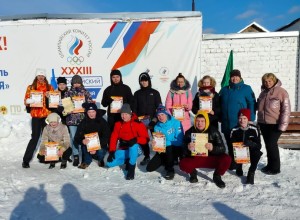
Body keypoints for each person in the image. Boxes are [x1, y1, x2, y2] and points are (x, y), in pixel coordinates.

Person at [179, 110, 231, 188]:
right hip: (196, 158)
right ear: (195, 121)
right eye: (198, 121)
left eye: (202, 121)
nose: (200, 123)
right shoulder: (189, 132)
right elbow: (182, 150)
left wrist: (213, 148)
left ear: (206, 121)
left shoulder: (214, 131)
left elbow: (222, 149)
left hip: (211, 158)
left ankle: (217, 175)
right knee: (182, 163)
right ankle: (193, 172)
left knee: (227, 159)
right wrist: (188, 148)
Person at [219, 69, 256, 170]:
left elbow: (252, 103)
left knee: (239, 143)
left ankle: (239, 163)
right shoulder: (225, 89)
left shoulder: (246, 88)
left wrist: (251, 118)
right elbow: (219, 103)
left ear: (240, 77)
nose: (234, 78)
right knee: (229, 142)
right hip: (226, 122)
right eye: (232, 76)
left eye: (237, 76)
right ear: (230, 78)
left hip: (239, 122)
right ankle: (232, 161)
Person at [257, 73, 291, 175]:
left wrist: (283, 125)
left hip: (275, 124)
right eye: (265, 81)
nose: (267, 83)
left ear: (274, 80)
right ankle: (269, 165)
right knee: (268, 145)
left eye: (269, 81)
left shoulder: (281, 92)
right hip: (263, 124)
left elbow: (286, 110)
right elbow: (259, 107)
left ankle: (275, 168)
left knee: (272, 145)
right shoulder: (262, 93)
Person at [106, 104, 149, 180]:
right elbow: (113, 138)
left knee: (133, 145)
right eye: (122, 114)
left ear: (130, 114)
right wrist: (111, 151)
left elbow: (146, 139)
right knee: (109, 163)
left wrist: (136, 140)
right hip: (124, 148)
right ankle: (127, 160)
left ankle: (131, 168)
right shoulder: (118, 124)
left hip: (137, 148)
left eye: (126, 114)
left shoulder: (138, 124)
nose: (124, 116)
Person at [22, 68, 54, 168]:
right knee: (35, 138)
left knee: (48, 137)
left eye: (42, 75)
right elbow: (25, 100)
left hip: (46, 116)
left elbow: (54, 102)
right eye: (39, 75)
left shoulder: (49, 87)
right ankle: (26, 160)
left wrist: (50, 97)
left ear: (45, 76)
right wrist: (30, 101)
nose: (41, 77)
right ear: (36, 76)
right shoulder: (31, 87)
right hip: (36, 116)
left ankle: (50, 158)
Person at [146, 105, 184, 180]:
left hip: (175, 148)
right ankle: (166, 161)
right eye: (158, 115)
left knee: (169, 149)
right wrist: (154, 144)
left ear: (166, 114)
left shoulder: (176, 122)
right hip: (163, 150)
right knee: (149, 168)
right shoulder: (156, 127)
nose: (160, 117)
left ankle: (170, 170)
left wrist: (165, 143)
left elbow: (179, 141)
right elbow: (158, 143)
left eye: (162, 114)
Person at [132, 71, 162, 165]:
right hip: (141, 121)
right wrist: (136, 118)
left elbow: (160, 107)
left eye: (145, 80)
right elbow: (134, 108)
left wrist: (155, 120)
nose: (144, 82)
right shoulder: (137, 93)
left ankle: (160, 156)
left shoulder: (155, 92)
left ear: (149, 81)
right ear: (140, 82)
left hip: (153, 120)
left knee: (157, 138)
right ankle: (147, 156)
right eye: (142, 81)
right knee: (143, 139)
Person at [64, 75, 93, 166]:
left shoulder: (85, 92)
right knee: (74, 138)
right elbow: (66, 106)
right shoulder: (68, 93)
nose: (76, 84)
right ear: (72, 83)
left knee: (84, 137)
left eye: (78, 82)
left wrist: (87, 105)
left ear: (81, 83)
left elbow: (90, 104)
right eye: (75, 82)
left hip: (83, 119)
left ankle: (84, 155)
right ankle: (76, 155)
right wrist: (69, 108)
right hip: (72, 119)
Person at [230, 109, 263, 184]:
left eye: (244, 118)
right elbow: (232, 145)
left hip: (251, 151)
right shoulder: (234, 130)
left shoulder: (254, 129)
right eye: (240, 118)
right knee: (235, 152)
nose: (242, 120)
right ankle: (239, 167)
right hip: (239, 152)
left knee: (258, 153)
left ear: (248, 119)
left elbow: (259, 145)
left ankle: (251, 172)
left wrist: (250, 143)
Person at [74, 103, 110, 169]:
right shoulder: (83, 122)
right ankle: (86, 161)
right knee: (84, 147)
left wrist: (96, 147)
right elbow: (77, 137)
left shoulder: (102, 122)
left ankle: (100, 159)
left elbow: (106, 136)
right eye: (89, 112)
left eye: (93, 111)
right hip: (88, 145)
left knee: (101, 151)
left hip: (100, 145)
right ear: (86, 112)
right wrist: (82, 141)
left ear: (96, 111)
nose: (91, 114)